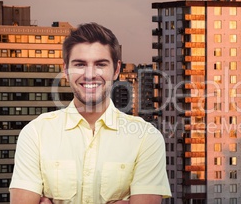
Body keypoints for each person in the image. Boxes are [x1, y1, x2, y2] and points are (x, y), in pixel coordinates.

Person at [9, 22, 171, 204]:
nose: (90, 74)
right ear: (65, 70)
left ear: (116, 69)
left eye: (100, 64)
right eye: (80, 64)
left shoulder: (146, 138)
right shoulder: (35, 134)